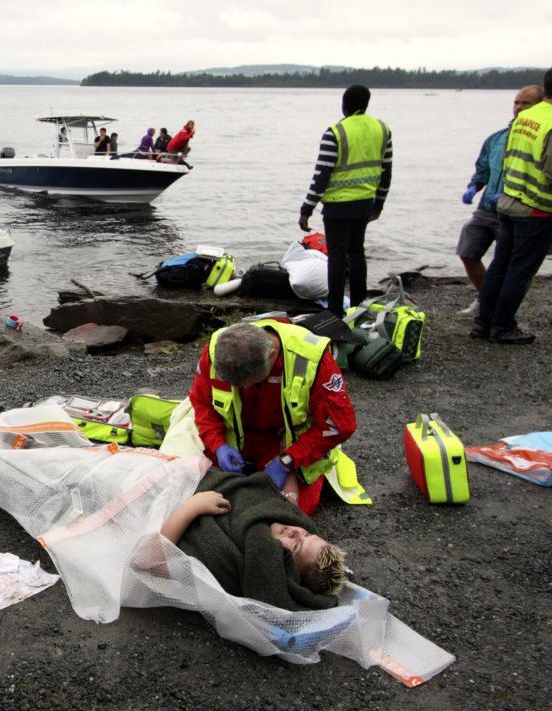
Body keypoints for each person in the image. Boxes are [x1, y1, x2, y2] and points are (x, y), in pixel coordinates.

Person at [188, 321, 361, 516]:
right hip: (233, 436)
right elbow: (201, 402)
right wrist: (217, 444)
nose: (243, 389)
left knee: (289, 514)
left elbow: (340, 425)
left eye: (249, 382)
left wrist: (288, 459)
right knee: (193, 496)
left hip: (286, 440)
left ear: (271, 355)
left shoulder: (313, 358)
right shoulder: (216, 351)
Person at [474, 62, 552, 345]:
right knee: (520, 270)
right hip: (537, 209)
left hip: (509, 202)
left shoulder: (525, 117)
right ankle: (503, 326)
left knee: (500, 264)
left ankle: (483, 322)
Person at [161, 469, 347, 608]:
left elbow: (149, 563)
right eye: (307, 534)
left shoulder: (229, 565)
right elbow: (289, 498)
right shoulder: (275, 513)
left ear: (282, 567)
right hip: (172, 470)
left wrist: (193, 507)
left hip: (148, 498)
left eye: (297, 547)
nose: (295, 532)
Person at [298, 85, 392, 317]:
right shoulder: (382, 130)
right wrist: (379, 204)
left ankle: (335, 309)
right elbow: (387, 170)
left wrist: (306, 209)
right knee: (357, 253)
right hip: (365, 202)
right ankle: (359, 306)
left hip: (338, 206)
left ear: (344, 104)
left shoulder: (336, 133)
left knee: (337, 257)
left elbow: (322, 175)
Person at [455, 85, 544, 316]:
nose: (519, 107)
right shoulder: (496, 139)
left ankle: (501, 312)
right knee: (468, 250)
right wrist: (474, 187)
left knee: (506, 264)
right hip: (486, 209)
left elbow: (540, 176)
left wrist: (511, 196)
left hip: (515, 210)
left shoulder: (540, 139)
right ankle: (485, 300)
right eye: (517, 102)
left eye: (526, 103)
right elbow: (483, 169)